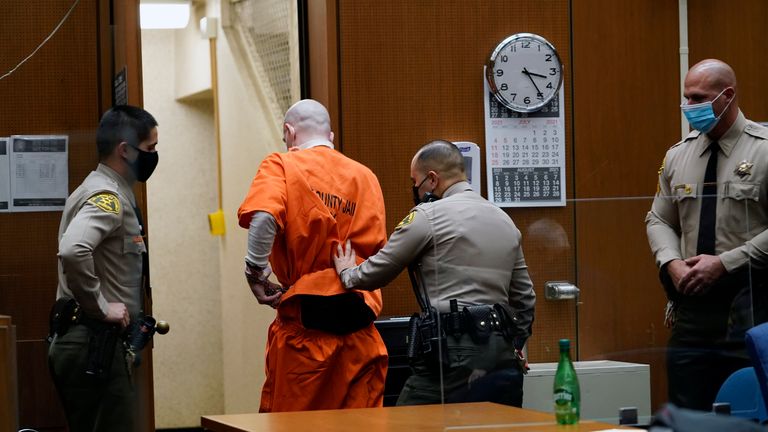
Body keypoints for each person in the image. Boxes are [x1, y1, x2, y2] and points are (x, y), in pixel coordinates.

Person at [333, 139, 536, 406]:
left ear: (431, 179)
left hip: (451, 348)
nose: (415, 190)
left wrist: (348, 273)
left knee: (409, 424)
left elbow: (380, 269)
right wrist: (515, 342)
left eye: (414, 183)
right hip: (500, 348)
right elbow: (525, 298)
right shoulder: (504, 219)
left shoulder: (427, 216)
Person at [237, 99, 389, 412]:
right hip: (360, 324)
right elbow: (379, 252)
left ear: (289, 132)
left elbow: (265, 215)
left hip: (306, 332)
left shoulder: (281, 165)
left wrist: (255, 272)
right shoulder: (365, 177)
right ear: (330, 136)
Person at [646, 59, 768, 411]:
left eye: (698, 98)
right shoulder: (678, 156)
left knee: (746, 413)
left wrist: (726, 263)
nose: (689, 107)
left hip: (749, 304)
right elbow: (658, 219)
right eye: (686, 98)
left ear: (727, 96)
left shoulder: (762, 151)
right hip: (693, 308)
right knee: (685, 411)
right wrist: (671, 263)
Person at [48, 105, 159, 431]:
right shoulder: (106, 196)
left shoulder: (98, 187)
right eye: (150, 148)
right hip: (94, 344)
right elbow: (72, 250)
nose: (154, 156)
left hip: (93, 344)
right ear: (125, 150)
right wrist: (100, 306)